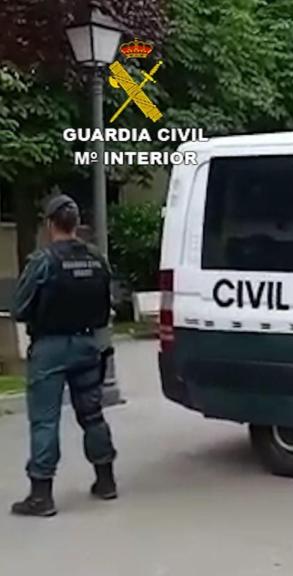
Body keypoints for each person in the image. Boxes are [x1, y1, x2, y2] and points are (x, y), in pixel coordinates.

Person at [10, 195, 118, 517]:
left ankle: (41, 494)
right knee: (93, 414)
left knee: (45, 420)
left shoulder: (43, 261)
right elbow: (105, 303)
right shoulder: (98, 259)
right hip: (88, 345)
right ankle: (106, 480)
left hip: (50, 347)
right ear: (76, 224)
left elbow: (19, 308)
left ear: (49, 224)